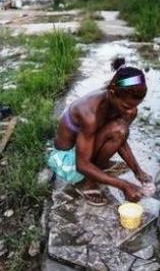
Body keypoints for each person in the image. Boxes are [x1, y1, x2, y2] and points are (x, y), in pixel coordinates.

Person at [47, 57, 152, 206]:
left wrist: (138, 171)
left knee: (120, 131)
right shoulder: (89, 113)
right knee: (119, 130)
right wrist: (124, 185)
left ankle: (98, 166)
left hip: (84, 145)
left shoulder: (121, 104)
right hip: (68, 160)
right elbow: (81, 165)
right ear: (112, 93)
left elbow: (120, 140)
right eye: (126, 106)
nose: (131, 111)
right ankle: (88, 184)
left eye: (135, 105)